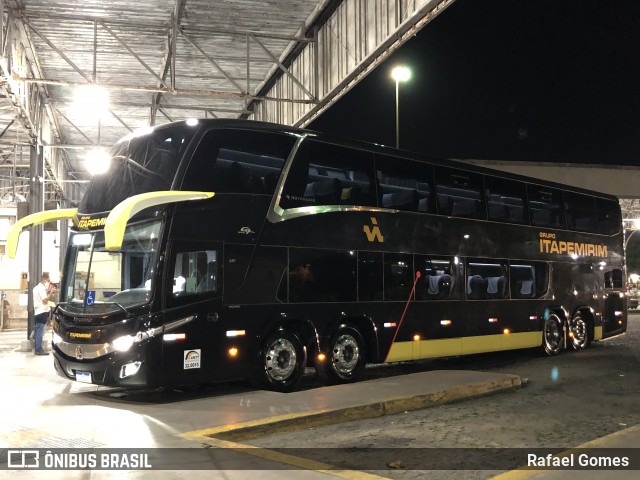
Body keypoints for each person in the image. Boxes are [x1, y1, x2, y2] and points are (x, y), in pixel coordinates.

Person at [32, 272, 56, 355]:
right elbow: (45, 300)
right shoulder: (41, 288)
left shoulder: (36, 288)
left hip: (38, 312)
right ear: (45, 279)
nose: (49, 283)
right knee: (40, 332)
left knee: (39, 331)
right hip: (42, 312)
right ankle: (38, 349)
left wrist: (49, 292)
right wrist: (50, 292)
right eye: (48, 281)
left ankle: (38, 348)